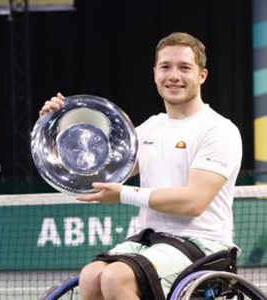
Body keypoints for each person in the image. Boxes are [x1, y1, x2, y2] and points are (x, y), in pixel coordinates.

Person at [39, 32, 242, 299]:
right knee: (91, 275)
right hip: (149, 239)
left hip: (203, 244)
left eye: (184, 68)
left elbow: (193, 201)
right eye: (166, 67)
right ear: (155, 73)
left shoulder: (218, 130)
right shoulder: (150, 128)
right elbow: (93, 171)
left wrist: (124, 194)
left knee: (117, 276)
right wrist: (55, 127)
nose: (174, 76)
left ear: (202, 75)